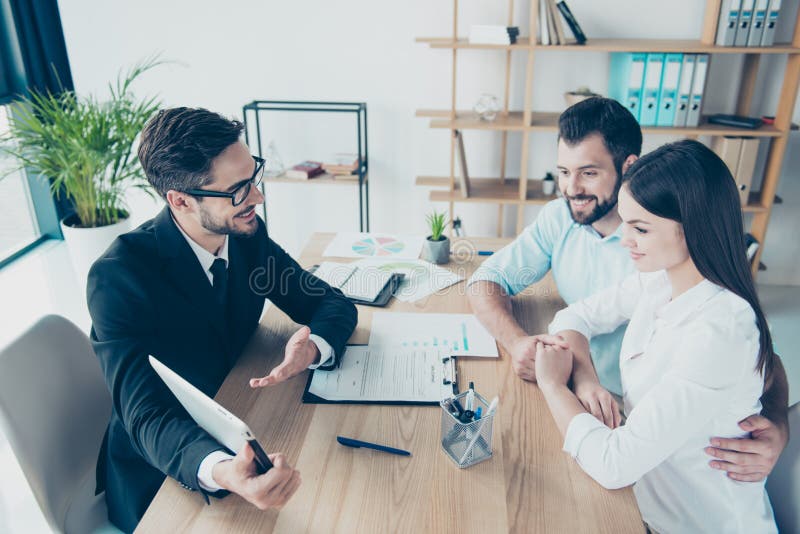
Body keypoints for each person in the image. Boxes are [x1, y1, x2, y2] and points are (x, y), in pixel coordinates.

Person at [467, 97, 788, 480]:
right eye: (563, 172)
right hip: (613, 426)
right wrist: (570, 371)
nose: (571, 188)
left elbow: (760, 360)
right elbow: (546, 304)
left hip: (635, 448)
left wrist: (779, 426)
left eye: (587, 172)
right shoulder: (654, 274)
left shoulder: (707, 311)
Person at [87, 107, 358, 532]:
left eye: (254, 178)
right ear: (179, 200)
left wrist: (312, 349)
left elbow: (330, 303)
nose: (257, 198)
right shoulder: (120, 278)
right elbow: (146, 416)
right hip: (167, 471)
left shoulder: (245, 235)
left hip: (243, 411)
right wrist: (222, 470)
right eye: (237, 189)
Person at [534, 140, 778, 532]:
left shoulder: (721, 329)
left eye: (640, 228)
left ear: (693, 229)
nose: (624, 239)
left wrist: (553, 385)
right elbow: (574, 316)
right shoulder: (659, 280)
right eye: (625, 221)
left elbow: (615, 466)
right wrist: (585, 380)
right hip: (645, 505)